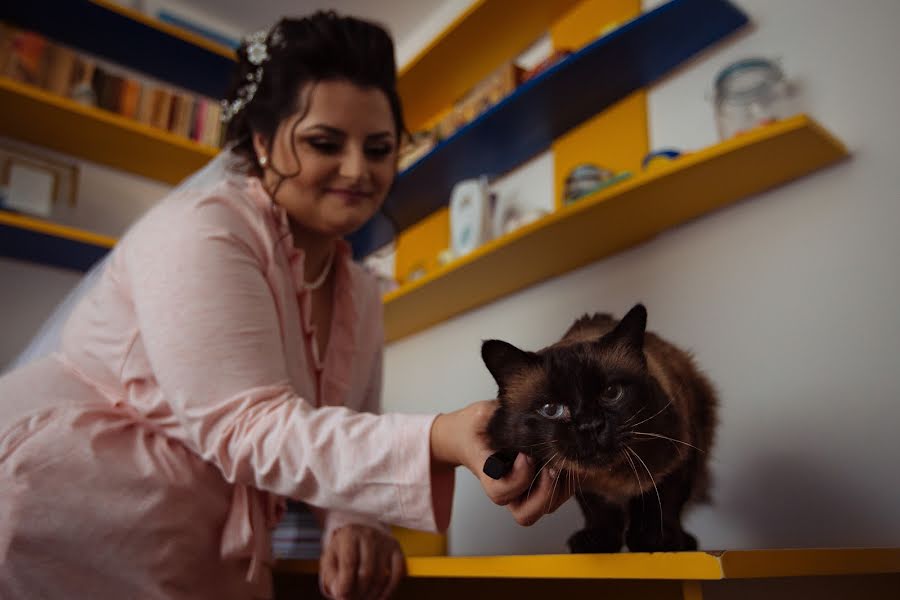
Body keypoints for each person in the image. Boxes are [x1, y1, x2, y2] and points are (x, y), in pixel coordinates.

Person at [0, 11, 570, 600]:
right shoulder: (203, 230)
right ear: (263, 142)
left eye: (379, 148)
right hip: (61, 515)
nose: (357, 170)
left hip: (200, 546)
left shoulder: (361, 289)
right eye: (325, 143)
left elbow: (348, 424)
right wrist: (439, 438)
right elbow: (248, 427)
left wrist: (352, 521)